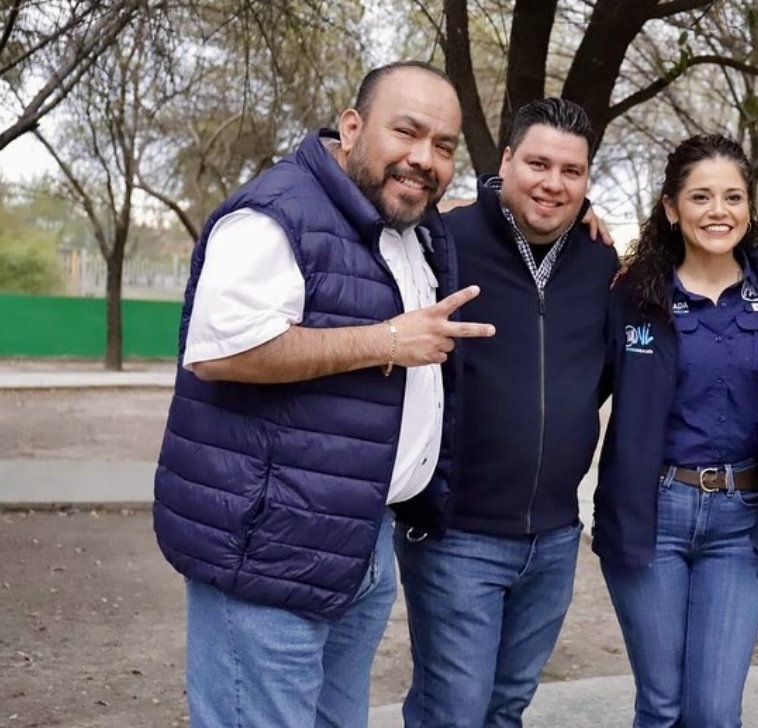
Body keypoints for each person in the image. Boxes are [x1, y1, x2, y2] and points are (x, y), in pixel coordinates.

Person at [152, 61, 495, 728]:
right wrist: (386, 342)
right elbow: (221, 352)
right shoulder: (277, 214)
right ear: (351, 126)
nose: (424, 159)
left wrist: (587, 217)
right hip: (269, 554)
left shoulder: (412, 228)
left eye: (445, 146)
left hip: (361, 544)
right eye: (407, 132)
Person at [395, 97, 620, 727]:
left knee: (506, 709)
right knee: (455, 712)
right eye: (538, 164)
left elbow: (595, 375)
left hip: (553, 536)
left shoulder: (599, 261)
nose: (553, 183)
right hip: (456, 533)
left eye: (571, 172)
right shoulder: (443, 241)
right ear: (505, 163)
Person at [593, 134, 758, 727]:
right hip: (653, 511)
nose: (718, 211)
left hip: (740, 517)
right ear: (670, 207)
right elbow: (582, 384)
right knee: (662, 705)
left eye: (733, 197)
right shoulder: (633, 294)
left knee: (713, 711)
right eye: (701, 197)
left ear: (750, 208)